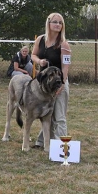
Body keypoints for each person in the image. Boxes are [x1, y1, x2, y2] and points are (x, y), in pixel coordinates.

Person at [30, 13, 71, 148]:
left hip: (59, 83)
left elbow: (65, 67)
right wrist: (39, 61)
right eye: (55, 22)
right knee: (47, 112)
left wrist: (62, 84)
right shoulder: (40, 40)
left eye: (60, 23)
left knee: (59, 116)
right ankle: (42, 141)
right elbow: (33, 55)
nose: (58, 25)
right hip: (43, 85)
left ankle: (61, 147)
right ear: (48, 24)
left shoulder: (64, 44)